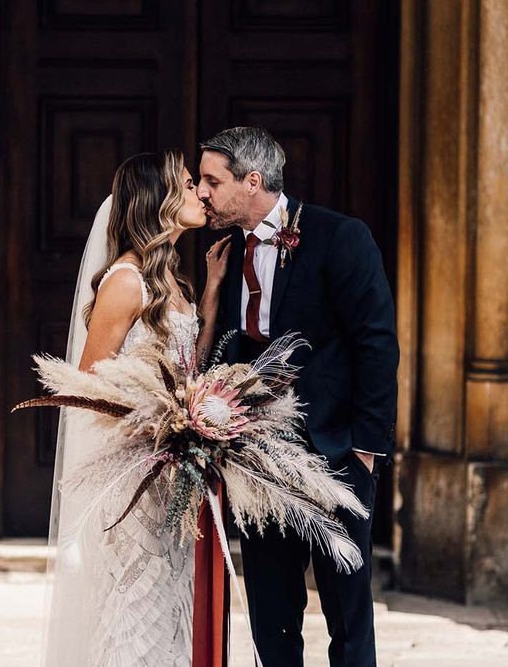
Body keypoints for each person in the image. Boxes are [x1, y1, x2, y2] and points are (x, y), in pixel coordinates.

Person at [198, 126, 399, 667]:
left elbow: (376, 342)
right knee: (271, 606)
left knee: (346, 607)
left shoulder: (340, 236)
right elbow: (231, 346)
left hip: (335, 450)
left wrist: (366, 448)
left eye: (212, 180)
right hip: (257, 453)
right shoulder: (222, 251)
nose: (201, 192)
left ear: (252, 182)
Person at [42, 149, 230, 667]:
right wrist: (155, 421)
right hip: (134, 476)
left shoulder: (172, 280)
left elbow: (187, 366)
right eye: (189, 185)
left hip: (171, 477)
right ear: (159, 199)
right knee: (133, 605)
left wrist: (211, 295)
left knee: (169, 603)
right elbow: (87, 387)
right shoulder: (126, 282)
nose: (200, 193)